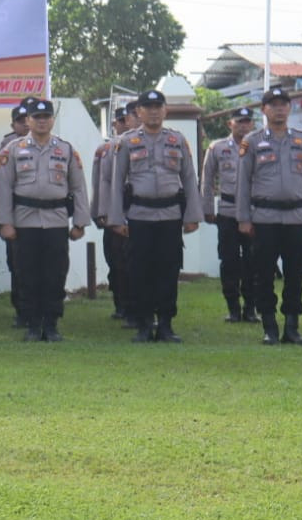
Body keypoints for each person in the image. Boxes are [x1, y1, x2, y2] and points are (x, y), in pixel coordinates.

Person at [107, 89, 201, 343]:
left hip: (170, 216)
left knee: (169, 271)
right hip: (139, 216)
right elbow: (116, 182)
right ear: (139, 112)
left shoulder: (177, 140)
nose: (153, 111)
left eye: (158, 107)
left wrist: (193, 215)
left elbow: (189, 179)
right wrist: (116, 218)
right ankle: (144, 324)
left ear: (165, 110)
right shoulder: (126, 142)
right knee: (139, 272)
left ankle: (166, 324)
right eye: (147, 107)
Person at [0, 99, 89, 342]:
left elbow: (78, 187)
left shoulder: (66, 150)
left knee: (55, 275)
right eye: (37, 117)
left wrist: (80, 222)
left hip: (56, 221)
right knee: (27, 275)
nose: (42, 121)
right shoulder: (13, 150)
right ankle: (33, 325)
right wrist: (4, 222)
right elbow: (3, 188)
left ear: (52, 120)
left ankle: (52, 324)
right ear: (28, 121)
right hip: (24, 222)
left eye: (46, 116)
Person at [235, 86, 302, 346]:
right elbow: (243, 183)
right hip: (264, 218)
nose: (279, 108)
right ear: (264, 110)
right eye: (273, 104)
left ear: (290, 108)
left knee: (295, 274)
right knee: (263, 275)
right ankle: (270, 327)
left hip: (296, 217)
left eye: (284, 103)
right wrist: (243, 218)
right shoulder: (252, 141)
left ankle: (292, 327)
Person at [200, 105, 257, 324]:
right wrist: (207, 209)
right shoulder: (217, 147)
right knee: (229, 261)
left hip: (253, 213)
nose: (243, 126)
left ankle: (251, 309)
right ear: (230, 124)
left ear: (252, 124)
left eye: (247, 122)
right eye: (239, 121)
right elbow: (207, 180)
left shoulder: (259, 146)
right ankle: (233, 308)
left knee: (253, 262)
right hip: (227, 211)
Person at [93, 103, 138, 325]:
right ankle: (124, 306)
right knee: (119, 264)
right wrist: (103, 213)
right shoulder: (108, 149)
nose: (124, 124)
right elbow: (102, 182)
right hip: (118, 213)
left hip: (144, 212)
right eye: (122, 120)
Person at [0, 104, 32, 327]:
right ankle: (21, 310)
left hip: (42, 218)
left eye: (26, 120)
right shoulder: (8, 147)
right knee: (18, 265)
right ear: (13, 125)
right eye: (20, 121)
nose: (24, 124)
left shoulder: (55, 145)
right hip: (17, 216)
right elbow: (1, 186)